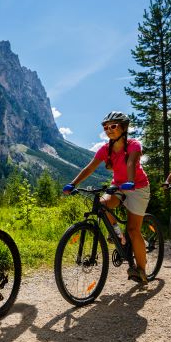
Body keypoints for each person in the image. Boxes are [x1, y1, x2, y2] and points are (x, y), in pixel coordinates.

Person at [62, 111, 151, 284]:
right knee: (103, 203)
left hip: (138, 187)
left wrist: (131, 181)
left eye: (113, 126)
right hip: (118, 185)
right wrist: (73, 183)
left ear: (123, 128)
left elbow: (132, 163)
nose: (108, 129)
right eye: (105, 127)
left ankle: (141, 270)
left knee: (133, 230)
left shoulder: (133, 145)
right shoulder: (105, 149)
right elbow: (89, 168)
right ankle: (118, 235)